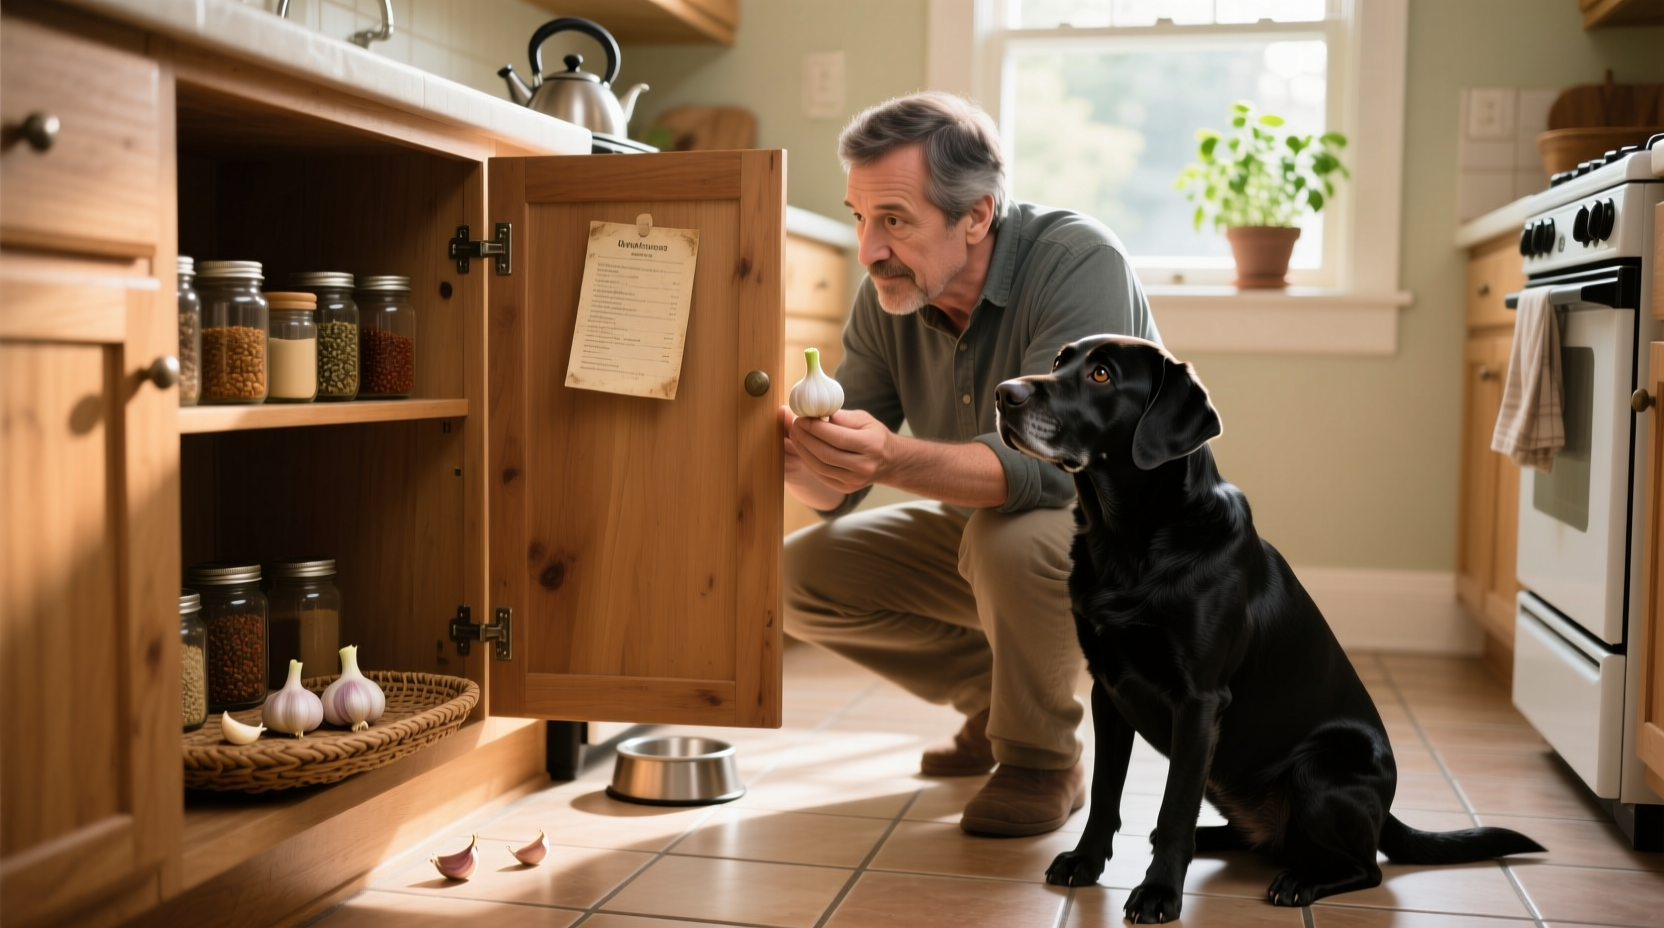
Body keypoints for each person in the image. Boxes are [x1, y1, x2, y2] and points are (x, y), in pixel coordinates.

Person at [779, 92, 1160, 837]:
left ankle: (1040, 759)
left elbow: (1056, 467)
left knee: (1007, 538)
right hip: (982, 534)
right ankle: (999, 703)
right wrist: (791, 454)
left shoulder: (1078, 262)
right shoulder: (887, 297)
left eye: (893, 219)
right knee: (796, 577)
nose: (868, 249)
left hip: (1124, 543)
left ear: (977, 215)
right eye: (860, 217)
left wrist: (885, 456)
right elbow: (834, 486)